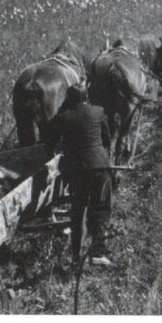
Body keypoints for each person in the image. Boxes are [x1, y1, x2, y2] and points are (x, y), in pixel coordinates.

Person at [47, 84, 116, 268]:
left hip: (77, 170)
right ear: (86, 98)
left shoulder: (64, 117)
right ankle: (97, 253)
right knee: (102, 208)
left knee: (79, 211)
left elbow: (50, 140)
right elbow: (107, 139)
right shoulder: (98, 111)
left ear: (68, 99)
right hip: (100, 167)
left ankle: (76, 257)